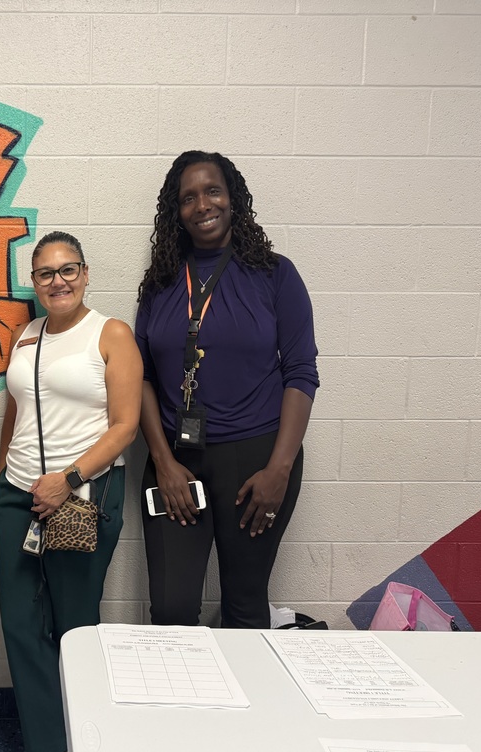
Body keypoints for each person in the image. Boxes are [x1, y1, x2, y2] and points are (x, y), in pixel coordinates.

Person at [136, 150, 319, 629]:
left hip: (257, 463)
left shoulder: (276, 275)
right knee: (172, 610)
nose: (202, 205)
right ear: (175, 212)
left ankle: (247, 704)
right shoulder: (159, 285)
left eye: (212, 191)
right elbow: (143, 379)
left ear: (233, 199)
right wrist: (162, 463)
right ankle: (185, 703)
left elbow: (301, 372)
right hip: (177, 462)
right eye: (188, 197)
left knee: (244, 605)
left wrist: (279, 470)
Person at [0, 231, 142, 752]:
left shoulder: (111, 333)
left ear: (85, 273)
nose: (59, 281)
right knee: (19, 622)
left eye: (68, 269)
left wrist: (69, 476)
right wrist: (0, 488)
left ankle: (83, 743)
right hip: (19, 494)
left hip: (83, 496)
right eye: (46, 273)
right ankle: (47, 746)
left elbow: (126, 426)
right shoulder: (27, 334)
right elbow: (15, 413)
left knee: (73, 624)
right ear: (34, 283)